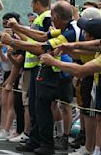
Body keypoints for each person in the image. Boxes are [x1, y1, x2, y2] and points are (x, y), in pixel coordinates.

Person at [2, 0, 84, 155]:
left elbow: (42, 48)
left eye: (53, 16)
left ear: (57, 17)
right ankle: (38, 141)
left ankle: (47, 144)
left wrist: (13, 42)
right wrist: (18, 28)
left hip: (65, 72)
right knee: (38, 106)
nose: (51, 20)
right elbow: (42, 36)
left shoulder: (70, 33)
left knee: (44, 106)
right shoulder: (66, 26)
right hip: (57, 71)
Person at [40, 17, 101, 155]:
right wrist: (68, 47)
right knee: (98, 118)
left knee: (94, 117)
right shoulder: (98, 44)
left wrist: (53, 62)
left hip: (93, 81)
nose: (82, 34)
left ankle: (93, 149)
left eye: (85, 31)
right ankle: (95, 149)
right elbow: (84, 47)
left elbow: (81, 70)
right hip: (96, 84)